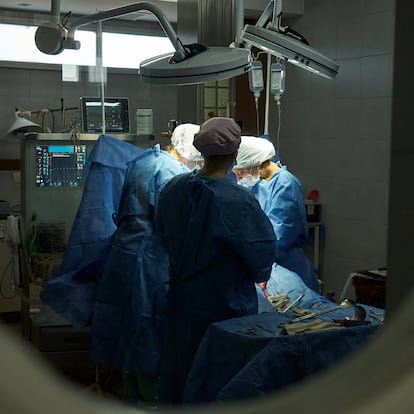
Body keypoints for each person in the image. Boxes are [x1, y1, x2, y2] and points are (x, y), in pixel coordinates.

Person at [154, 117, 277, 405]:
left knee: (180, 377)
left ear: (201, 149)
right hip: (223, 310)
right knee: (221, 383)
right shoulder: (237, 200)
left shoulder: (173, 189)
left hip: (181, 306)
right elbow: (260, 254)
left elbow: (161, 234)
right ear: (235, 154)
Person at [90, 125, 199, 407]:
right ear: (190, 150)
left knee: (130, 327)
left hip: (124, 252)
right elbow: (172, 225)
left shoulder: (145, 160)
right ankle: (151, 402)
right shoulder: (174, 174)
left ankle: (133, 397)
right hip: (151, 258)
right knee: (151, 331)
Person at [232, 135, 320, 292]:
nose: (239, 178)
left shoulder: (285, 185)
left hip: (287, 268)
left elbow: (278, 237)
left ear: (258, 164)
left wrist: (251, 258)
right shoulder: (257, 184)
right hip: (265, 265)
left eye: (242, 172)